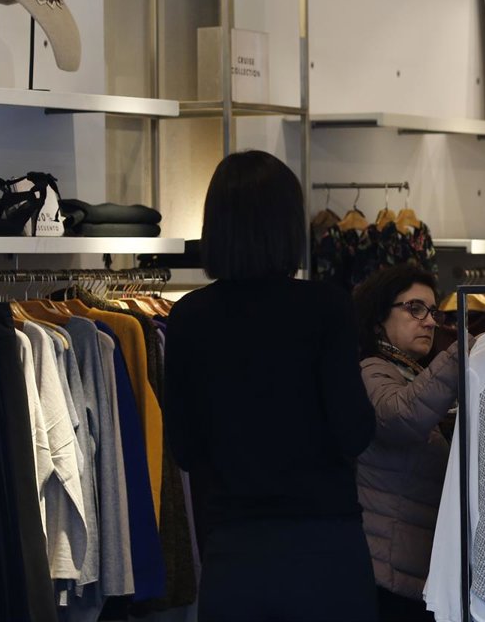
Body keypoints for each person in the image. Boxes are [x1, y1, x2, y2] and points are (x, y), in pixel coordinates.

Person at [164, 150, 377, 621]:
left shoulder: (188, 318)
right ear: (287, 225)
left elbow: (186, 448)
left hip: (233, 552)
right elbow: (353, 432)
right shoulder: (326, 308)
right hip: (325, 548)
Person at [353, 264, 461, 622]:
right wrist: (462, 354)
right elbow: (400, 417)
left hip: (407, 566)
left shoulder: (410, 373)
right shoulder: (371, 370)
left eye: (433, 312)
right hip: (388, 572)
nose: (429, 322)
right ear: (378, 317)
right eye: (415, 309)